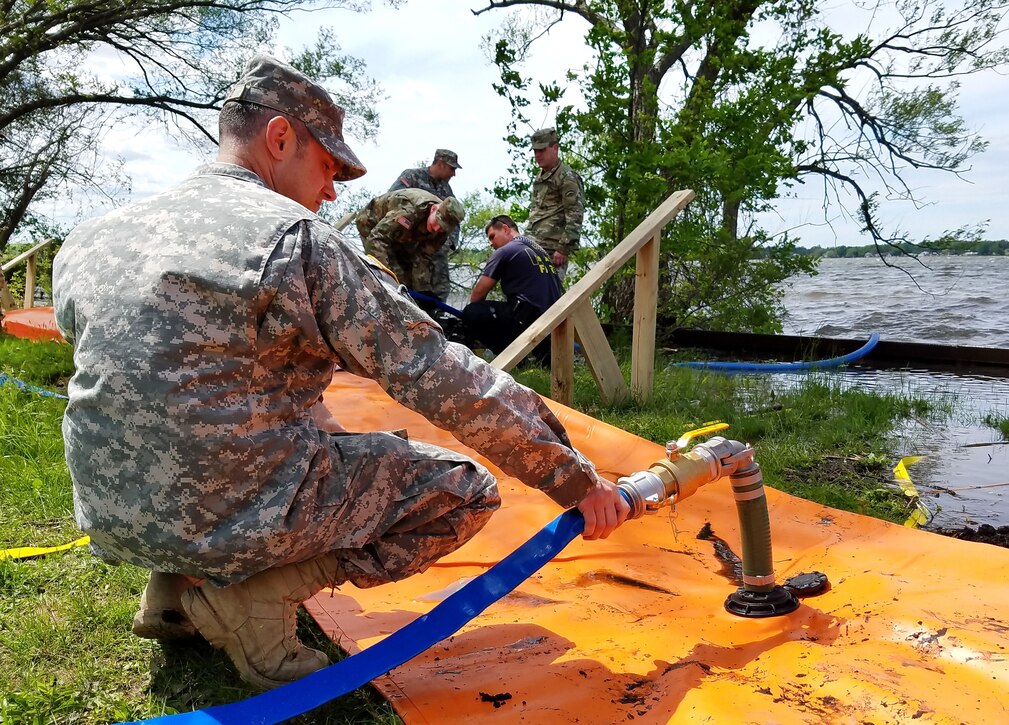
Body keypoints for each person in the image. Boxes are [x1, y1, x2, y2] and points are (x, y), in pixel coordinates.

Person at [52, 54, 628, 689]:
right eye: (327, 166)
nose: (333, 190)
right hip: (217, 510)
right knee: (461, 490)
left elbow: (150, 373)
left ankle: (169, 589)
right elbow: (442, 377)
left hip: (110, 512)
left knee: (214, 435)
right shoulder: (294, 238)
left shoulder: (93, 236)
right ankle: (250, 601)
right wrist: (575, 480)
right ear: (279, 137)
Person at [462, 215, 562, 359]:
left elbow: (478, 294)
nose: (491, 243)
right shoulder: (539, 251)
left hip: (526, 321)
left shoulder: (506, 250)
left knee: (472, 311)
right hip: (552, 321)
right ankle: (539, 354)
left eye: (492, 237)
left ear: (505, 228)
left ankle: (512, 358)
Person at [354, 188, 464, 304]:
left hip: (404, 234)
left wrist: (423, 291)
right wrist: (386, 277)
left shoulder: (443, 231)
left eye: (442, 227)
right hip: (372, 223)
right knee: (391, 279)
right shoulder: (409, 209)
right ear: (433, 209)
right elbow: (377, 238)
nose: (437, 229)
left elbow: (424, 257)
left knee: (408, 281)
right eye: (438, 222)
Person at [389, 149, 462, 302]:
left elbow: (454, 218)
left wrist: (449, 242)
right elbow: (393, 201)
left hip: (433, 251)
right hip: (406, 245)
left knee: (438, 290)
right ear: (441, 164)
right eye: (452, 168)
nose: (453, 174)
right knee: (405, 287)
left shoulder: (446, 189)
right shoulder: (412, 176)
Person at [525, 127, 584, 280]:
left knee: (550, 296)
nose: (537, 155)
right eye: (535, 151)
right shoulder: (541, 176)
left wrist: (563, 249)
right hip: (533, 246)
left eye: (542, 150)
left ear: (555, 148)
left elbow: (575, 215)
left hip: (552, 250)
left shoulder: (566, 177)